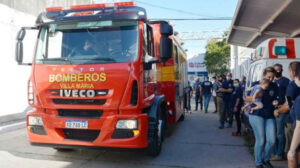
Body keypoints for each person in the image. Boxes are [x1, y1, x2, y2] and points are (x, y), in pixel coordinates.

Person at [249, 67, 278, 168]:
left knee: (272, 140)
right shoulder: (256, 84)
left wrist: (276, 103)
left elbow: (276, 99)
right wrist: (255, 97)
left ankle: (266, 159)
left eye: (272, 78)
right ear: (263, 75)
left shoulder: (274, 86)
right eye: (269, 77)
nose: (270, 80)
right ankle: (258, 162)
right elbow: (248, 98)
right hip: (257, 114)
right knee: (261, 140)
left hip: (269, 115)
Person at [271, 63, 290, 161]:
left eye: (278, 70)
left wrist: (280, 108)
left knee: (280, 133)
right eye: (275, 70)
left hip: (281, 110)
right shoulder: (272, 81)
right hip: (272, 110)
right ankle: (273, 152)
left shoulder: (286, 81)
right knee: (272, 132)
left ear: (282, 70)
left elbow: (289, 99)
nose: (277, 72)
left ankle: (279, 154)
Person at [288, 63, 300, 168]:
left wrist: (291, 150)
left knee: (294, 153)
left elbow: (288, 103)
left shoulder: (291, 85)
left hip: (296, 125)